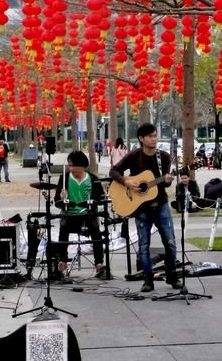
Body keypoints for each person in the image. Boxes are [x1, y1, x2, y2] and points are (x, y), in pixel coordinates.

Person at [109, 122, 181, 292]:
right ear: (141, 138)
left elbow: (164, 184)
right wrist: (126, 181)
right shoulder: (134, 155)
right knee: (143, 244)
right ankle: (148, 279)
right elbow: (114, 171)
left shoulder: (163, 156)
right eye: (150, 136)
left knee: (170, 242)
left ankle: (172, 276)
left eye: (155, 135)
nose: (154, 139)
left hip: (161, 204)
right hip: (141, 207)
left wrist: (169, 181)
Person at [54, 150, 105, 279]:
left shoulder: (93, 179)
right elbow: (56, 200)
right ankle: (63, 261)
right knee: (63, 230)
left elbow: (100, 197)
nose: (70, 168)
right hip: (70, 214)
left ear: (81, 165)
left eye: (72, 165)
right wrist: (61, 197)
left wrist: (92, 202)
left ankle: (99, 263)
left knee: (96, 233)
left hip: (87, 214)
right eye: (69, 165)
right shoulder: (64, 178)